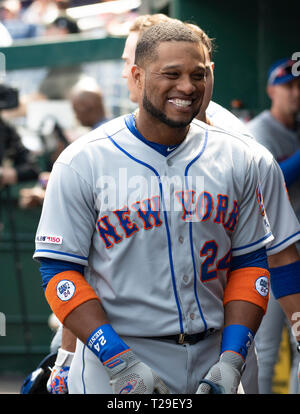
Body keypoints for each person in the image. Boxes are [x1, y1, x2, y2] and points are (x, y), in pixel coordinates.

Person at [33, 20, 273, 395]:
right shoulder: (83, 160)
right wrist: (118, 360)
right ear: (137, 76)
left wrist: (232, 360)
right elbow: (60, 272)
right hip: (120, 357)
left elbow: (250, 264)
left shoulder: (236, 156)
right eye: (171, 74)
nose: (188, 87)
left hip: (219, 351)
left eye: (198, 74)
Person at [121, 14, 300, 394]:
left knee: (266, 354)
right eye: (127, 63)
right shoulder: (104, 149)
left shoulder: (244, 150)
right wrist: (71, 354)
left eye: (194, 72)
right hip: (132, 346)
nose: (126, 74)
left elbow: (281, 252)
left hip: (224, 334)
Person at [247, 59, 300, 394]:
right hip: (269, 257)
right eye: (288, 86)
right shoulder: (257, 131)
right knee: (265, 351)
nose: (296, 93)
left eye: (299, 87)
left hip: (295, 253)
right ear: (271, 89)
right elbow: (270, 181)